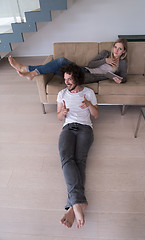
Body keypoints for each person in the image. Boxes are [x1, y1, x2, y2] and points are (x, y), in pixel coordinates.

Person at [57, 63, 98, 229]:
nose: (67, 82)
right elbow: (59, 117)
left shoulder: (88, 92)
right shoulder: (61, 94)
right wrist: (63, 113)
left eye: (70, 79)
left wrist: (88, 104)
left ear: (77, 78)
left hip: (85, 129)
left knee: (80, 161)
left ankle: (73, 206)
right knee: (67, 159)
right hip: (68, 128)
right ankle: (78, 204)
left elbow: (96, 115)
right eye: (65, 79)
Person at [8, 38, 128, 84]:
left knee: (58, 64)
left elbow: (124, 77)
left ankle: (27, 69)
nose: (117, 50)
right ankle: (30, 72)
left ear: (123, 51)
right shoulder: (105, 53)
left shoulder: (122, 63)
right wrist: (105, 61)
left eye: (120, 49)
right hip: (84, 69)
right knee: (60, 62)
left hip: (86, 77)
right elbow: (91, 64)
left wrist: (119, 80)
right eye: (116, 47)